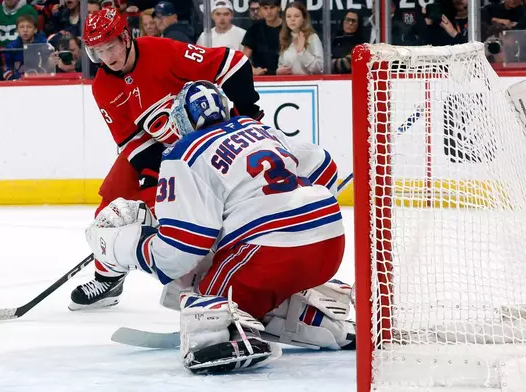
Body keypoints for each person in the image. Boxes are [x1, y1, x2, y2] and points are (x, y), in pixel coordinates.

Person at [84, 80, 355, 373]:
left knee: (203, 293)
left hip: (270, 254)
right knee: (244, 272)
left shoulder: (184, 152)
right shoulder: (258, 128)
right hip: (330, 242)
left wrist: (133, 248)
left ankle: (227, 334)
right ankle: (320, 318)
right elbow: (325, 167)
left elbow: (180, 252)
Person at [70, 8, 265, 311]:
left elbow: (233, 64)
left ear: (126, 37)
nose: (106, 57)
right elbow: (131, 142)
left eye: (110, 47)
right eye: (98, 51)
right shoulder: (103, 86)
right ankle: (108, 275)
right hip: (164, 151)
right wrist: (159, 169)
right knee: (112, 200)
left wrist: (248, 118)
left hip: (212, 145)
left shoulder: (161, 51)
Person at [276, 1, 322, 75]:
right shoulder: (286, 38)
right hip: (289, 84)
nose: (292, 19)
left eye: (296, 16)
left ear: (304, 19)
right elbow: (281, 64)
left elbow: (320, 68)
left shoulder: (312, 37)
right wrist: (279, 71)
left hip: (309, 84)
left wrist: (302, 52)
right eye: (288, 16)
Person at [241, 0, 281, 76]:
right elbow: (243, 59)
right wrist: (253, 70)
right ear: (261, 9)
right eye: (265, 8)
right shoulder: (254, 29)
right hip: (261, 78)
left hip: (286, 77)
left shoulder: (288, 28)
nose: (269, 12)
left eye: (272, 8)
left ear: (279, 8)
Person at [331, 10, 366, 74]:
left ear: (359, 24)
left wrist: (331, 63)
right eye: (347, 20)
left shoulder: (362, 45)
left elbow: (346, 64)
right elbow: (323, 64)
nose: (350, 23)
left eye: (354, 21)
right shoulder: (334, 40)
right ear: (343, 21)